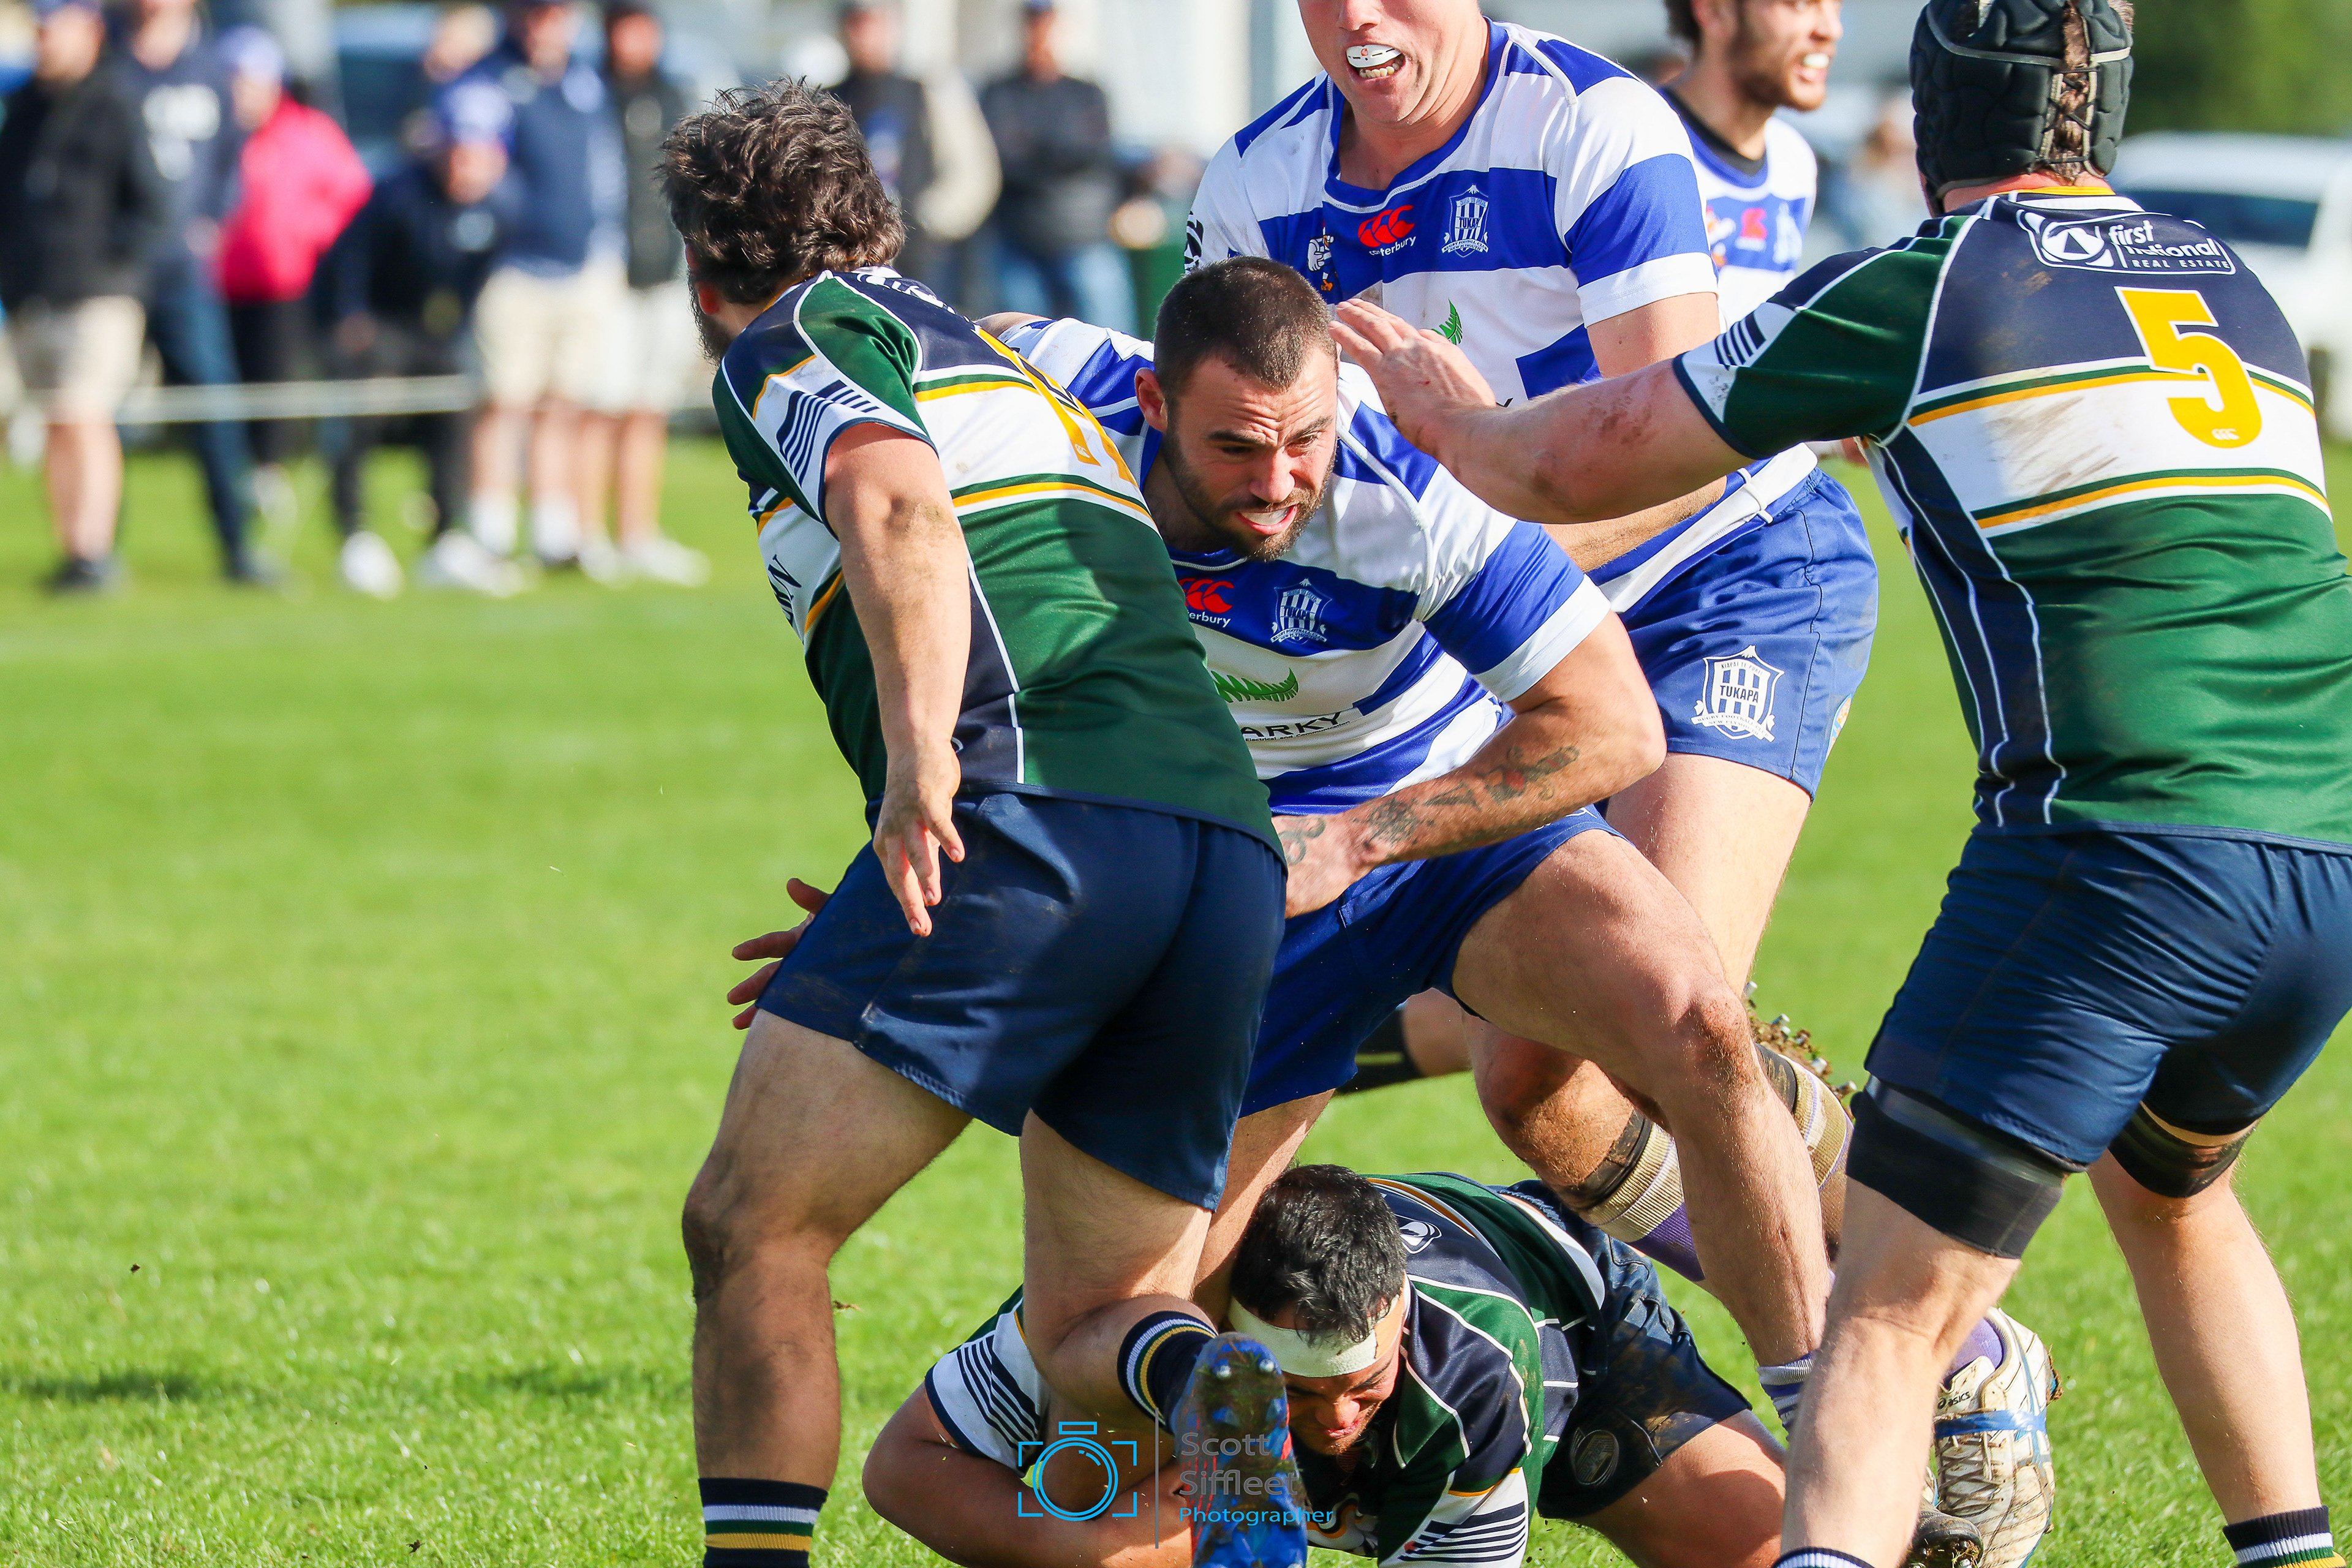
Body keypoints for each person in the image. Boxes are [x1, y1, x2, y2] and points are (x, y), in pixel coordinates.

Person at [1335, 6, 2352, 1568]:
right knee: (2170, 1194)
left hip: (2108, 856)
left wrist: (1443, 414)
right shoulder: (2231, 284)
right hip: (2322, 857)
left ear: (1932, 113)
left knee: (1880, 1315)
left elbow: (1581, 458)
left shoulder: (1924, 286)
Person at [739, 259, 1837, 1466]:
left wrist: (1366, 836)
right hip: (1228, 872)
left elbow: (1612, 727)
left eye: (1304, 440)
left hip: (1436, 824)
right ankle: (1144, 1508)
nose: (1278, 485)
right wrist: (903, 907)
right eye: (1236, 448)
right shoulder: (1048, 389)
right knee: (1139, 1344)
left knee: (1697, 1022)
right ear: (1153, 404)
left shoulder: (1399, 489)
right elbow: (950, 605)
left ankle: (1828, 1434)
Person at [660, 82, 1308, 1568]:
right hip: (1213, 851)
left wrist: (920, 777)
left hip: (1030, 819)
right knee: (1098, 1321)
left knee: (751, 1224)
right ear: (881, 222)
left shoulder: (794, 335)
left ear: (702, 271)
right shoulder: (1001, 357)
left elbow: (900, 511)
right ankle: (1212, 1379)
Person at [870, 1164, 1788, 1568]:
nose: (1340, 1420)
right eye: (1299, 1394)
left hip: (1582, 1341)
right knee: (1120, 1511)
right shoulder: (1111, 1313)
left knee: (1773, 1555)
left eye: (1363, 1387)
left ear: (1400, 1329)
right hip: (1185, 1410)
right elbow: (905, 1466)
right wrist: (1074, 1550)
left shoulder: (1474, 1374)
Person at [439, 0, 625, 582]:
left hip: (579, 263)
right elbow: (470, 169)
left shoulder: (580, 80)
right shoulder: (490, 80)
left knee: (561, 401)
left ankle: (554, 530)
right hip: (513, 265)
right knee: (502, 401)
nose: (548, 25)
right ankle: (490, 531)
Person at [325, 82, 517, 595]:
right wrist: (351, 317)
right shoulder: (397, 193)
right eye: (457, 151)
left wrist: (457, 324)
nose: (464, 166)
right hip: (379, 324)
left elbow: (476, 279)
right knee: (362, 418)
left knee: (452, 418)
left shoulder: (503, 207)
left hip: (435, 330)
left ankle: (446, 538)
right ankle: (355, 534)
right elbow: (350, 260)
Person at [0, 0, 167, 593]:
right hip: (32, 293)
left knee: (82, 414)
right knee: (57, 424)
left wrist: (105, 265)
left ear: (90, 29)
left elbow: (151, 205)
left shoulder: (116, 99)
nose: (45, 39)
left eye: (56, 27)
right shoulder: (26, 104)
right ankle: (74, 549)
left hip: (95, 294)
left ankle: (95, 551)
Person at [118, 0, 270, 583]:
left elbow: (230, 163)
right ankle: (95, 553)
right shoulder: (111, 64)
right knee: (104, 415)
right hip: (119, 269)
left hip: (184, 271)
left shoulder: (209, 70)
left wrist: (212, 221)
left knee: (213, 405)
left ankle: (239, 545)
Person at [214, 24, 371, 560]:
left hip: (288, 287)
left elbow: (352, 200)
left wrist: (309, 232)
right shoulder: (217, 135)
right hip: (219, 286)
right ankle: (238, 476)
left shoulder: (309, 133)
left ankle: (269, 473)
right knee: (226, 387)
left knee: (277, 383)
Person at [572, 0, 707, 587]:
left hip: (664, 269)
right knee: (600, 407)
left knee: (647, 408)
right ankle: (586, 535)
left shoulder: (673, 95)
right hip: (607, 269)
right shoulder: (589, 93)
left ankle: (637, 533)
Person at [979, 0, 1130, 332]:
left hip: (1083, 234)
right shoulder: (1000, 93)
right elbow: (1003, 161)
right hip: (1020, 238)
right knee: (1019, 345)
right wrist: (1060, 157)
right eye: (1034, 25)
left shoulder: (1086, 93)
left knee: (1110, 345)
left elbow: (1096, 155)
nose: (1040, 35)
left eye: (1046, 25)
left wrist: (1038, 155)